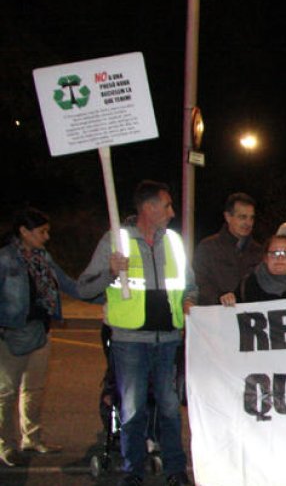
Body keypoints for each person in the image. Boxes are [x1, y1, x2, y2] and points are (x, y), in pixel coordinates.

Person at [77, 180, 196, 486]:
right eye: (167, 205)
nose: (171, 212)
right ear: (149, 208)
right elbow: (85, 289)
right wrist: (110, 271)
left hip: (169, 341)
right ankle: (133, 471)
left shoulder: (173, 242)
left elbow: (189, 288)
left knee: (170, 408)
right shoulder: (115, 242)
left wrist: (188, 303)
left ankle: (175, 469)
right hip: (129, 342)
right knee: (132, 409)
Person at [0, 208, 81, 464]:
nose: (46, 237)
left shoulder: (42, 256)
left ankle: (32, 439)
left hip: (41, 330)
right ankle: (5, 445)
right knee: (7, 391)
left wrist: (104, 288)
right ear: (24, 232)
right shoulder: (5, 258)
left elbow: (68, 284)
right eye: (42, 231)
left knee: (33, 388)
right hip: (12, 333)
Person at [194, 192, 262, 306]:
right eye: (242, 217)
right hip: (217, 316)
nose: (248, 223)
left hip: (250, 318)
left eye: (251, 218)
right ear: (228, 217)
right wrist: (220, 298)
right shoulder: (208, 248)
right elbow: (200, 282)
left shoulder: (259, 251)